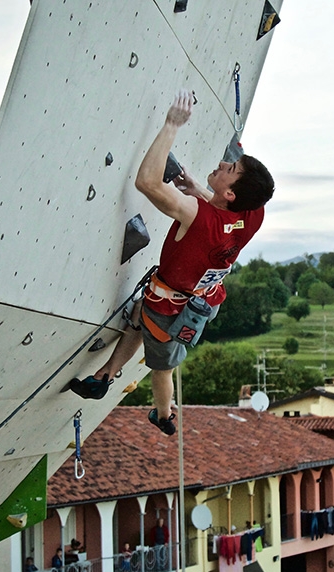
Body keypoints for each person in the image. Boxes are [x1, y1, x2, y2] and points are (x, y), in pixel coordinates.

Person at [68, 89, 274, 436]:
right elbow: (221, 214)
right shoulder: (252, 214)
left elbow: (147, 182)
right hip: (199, 300)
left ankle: (164, 416)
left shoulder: (198, 215)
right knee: (138, 317)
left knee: (162, 366)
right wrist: (198, 188)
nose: (223, 164)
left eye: (231, 169)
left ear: (231, 194)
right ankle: (104, 376)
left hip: (170, 311)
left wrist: (171, 125)